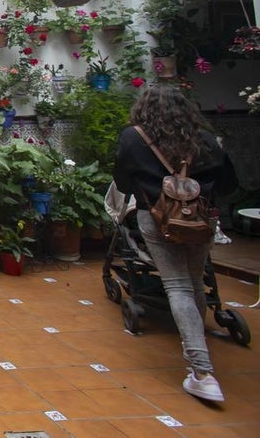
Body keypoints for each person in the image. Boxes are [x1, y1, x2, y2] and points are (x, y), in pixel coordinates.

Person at [113, 85, 238, 403]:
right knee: (195, 283)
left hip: (157, 219)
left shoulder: (134, 138)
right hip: (200, 221)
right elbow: (229, 184)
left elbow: (123, 183)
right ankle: (196, 352)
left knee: (178, 286)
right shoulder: (204, 139)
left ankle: (202, 372)